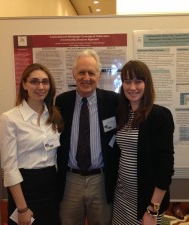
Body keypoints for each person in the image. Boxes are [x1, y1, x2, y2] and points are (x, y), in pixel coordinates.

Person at [56, 49, 120, 225]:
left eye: (91, 72)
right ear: (73, 73)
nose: (86, 78)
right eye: (81, 72)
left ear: (98, 75)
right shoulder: (61, 102)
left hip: (100, 179)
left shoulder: (113, 102)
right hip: (70, 180)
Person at [0, 63, 64, 225]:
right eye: (34, 81)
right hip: (25, 188)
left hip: (51, 186)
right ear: (24, 85)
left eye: (45, 81)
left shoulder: (54, 116)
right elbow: (9, 168)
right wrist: (22, 208)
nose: (40, 86)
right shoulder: (10, 118)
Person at [112, 60, 175, 225]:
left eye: (138, 81)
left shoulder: (159, 116)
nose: (132, 87)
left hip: (146, 202)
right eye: (127, 81)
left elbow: (165, 169)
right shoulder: (122, 114)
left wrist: (152, 209)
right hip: (122, 197)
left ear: (147, 84)